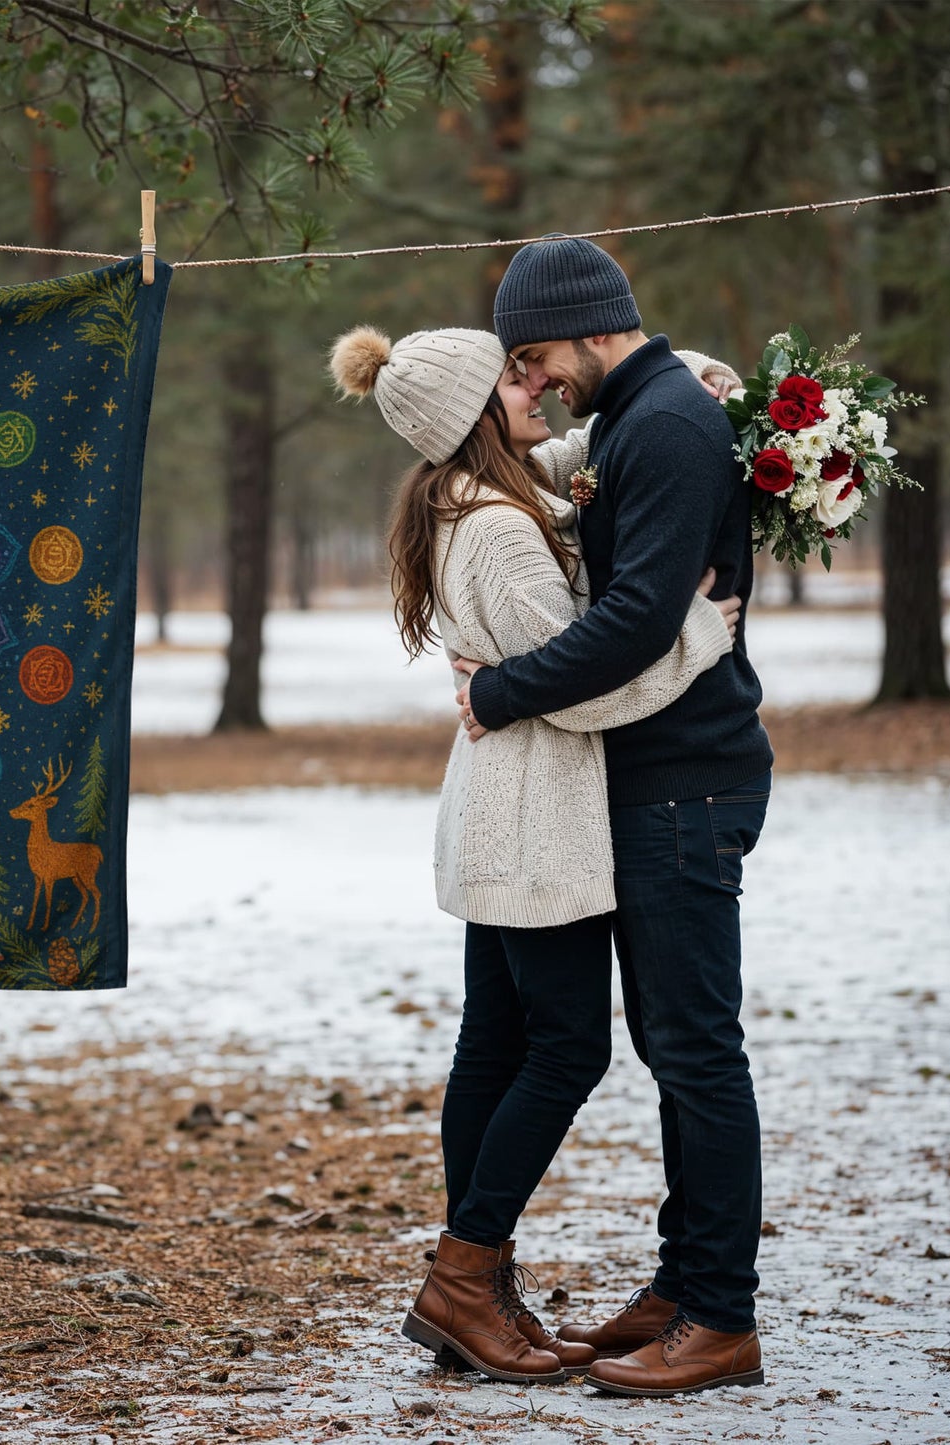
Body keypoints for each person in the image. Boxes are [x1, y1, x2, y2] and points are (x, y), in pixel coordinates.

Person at [329, 321, 742, 1385]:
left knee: (493, 1042)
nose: (535, 386)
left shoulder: (469, 493)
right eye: (512, 380)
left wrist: (686, 380)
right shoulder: (501, 533)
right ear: (473, 413)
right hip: (533, 816)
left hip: (496, 804)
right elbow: (585, 685)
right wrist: (702, 631)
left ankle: (475, 1281)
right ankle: (463, 1277)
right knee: (565, 1050)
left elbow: (574, 455)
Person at [451, 235, 774, 1399]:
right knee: (670, 1046)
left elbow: (638, 618)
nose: (533, 381)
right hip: (646, 774)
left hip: (684, 777)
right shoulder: (637, 416)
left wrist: (499, 690)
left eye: (536, 358)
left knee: (693, 1046)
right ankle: (681, 1282)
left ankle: (719, 1313)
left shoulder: (667, 423)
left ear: (589, 326)